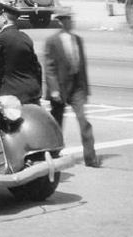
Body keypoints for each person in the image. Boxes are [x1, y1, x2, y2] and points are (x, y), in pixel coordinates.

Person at [43, 12, 100, 168]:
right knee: (57, 123)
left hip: (76, 87)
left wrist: (85, 90)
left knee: (83, 121)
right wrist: (54, 89)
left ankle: (91, 157)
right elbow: (49, 68)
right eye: (68, 20)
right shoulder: (52, 41)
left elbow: (82, 67)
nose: (71, 23)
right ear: (61, 23)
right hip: (60, 88)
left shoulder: (78, 40)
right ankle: (53, 154)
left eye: (71, 20)